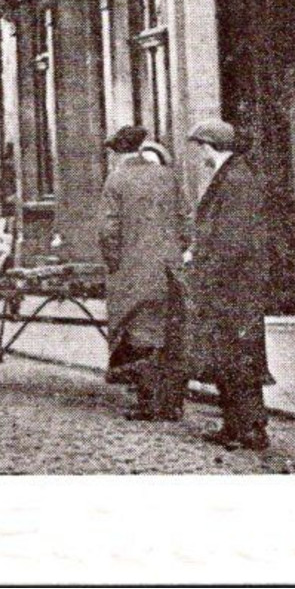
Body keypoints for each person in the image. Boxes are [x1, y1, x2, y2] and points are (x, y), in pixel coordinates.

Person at [186, 118, 274, 451]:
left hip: (234, 288)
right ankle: (235, 426)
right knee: (229, 357)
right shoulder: (233, 175)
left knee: (241, 359)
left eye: (201, 149)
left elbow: (232, 241)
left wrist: (204, 270)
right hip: (228, 286)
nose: (200, 156)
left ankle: (251, 429)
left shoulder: (236, 180)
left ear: (210, 147)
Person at [98, 124, 189, 421]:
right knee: (168, 333)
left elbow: (108, 230)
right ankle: (172, 402)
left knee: (138, 335)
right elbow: (186, 218)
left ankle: (148, 402)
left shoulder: (117, 180)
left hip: (133, 270)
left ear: (117, 153)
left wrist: (114, 264)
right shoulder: (167, 176)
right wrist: (177, 251)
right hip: (169, 269)